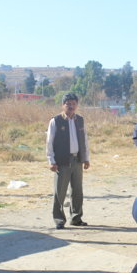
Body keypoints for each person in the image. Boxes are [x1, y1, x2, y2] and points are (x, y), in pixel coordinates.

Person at [46, 92, 90, 229]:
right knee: (60, 192)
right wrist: (51, 161)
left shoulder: (80, 120)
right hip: (62, 161)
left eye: (73, 104)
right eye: (68, 104)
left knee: (77, 191)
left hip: (77, 160)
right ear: (63, 105)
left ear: (77, 105)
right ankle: (59, 220)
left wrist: (86, 158)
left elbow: (85, 141)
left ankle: (76, 218)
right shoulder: (56, 121)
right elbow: (49, 142)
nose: (71, 106)